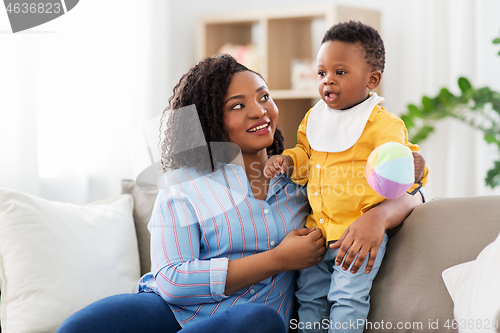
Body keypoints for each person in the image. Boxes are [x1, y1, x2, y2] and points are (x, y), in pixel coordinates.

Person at [57, 54, 424, 333]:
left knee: (255, 318)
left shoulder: (302, 178)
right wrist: (278, 259)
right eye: (238, 105)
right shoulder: (184, 185)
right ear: (210, 121)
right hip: (171, 313)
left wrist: (377, 217)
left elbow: (414, 194)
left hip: (253, 323)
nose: (259, 111)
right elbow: (171, 280)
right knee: (86, 325)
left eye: (264, 97)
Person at [264, 21, 429, 332]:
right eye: (322, 73)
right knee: (309, 299)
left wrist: (415, 167)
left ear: (372, 78)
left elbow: (403, 167)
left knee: (348, 299)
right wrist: (287, 160)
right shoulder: (314, 118)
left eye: (340, 72)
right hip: (316, 234)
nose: (328, 81)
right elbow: (306, 157)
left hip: (357, 237)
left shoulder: (382, 124)